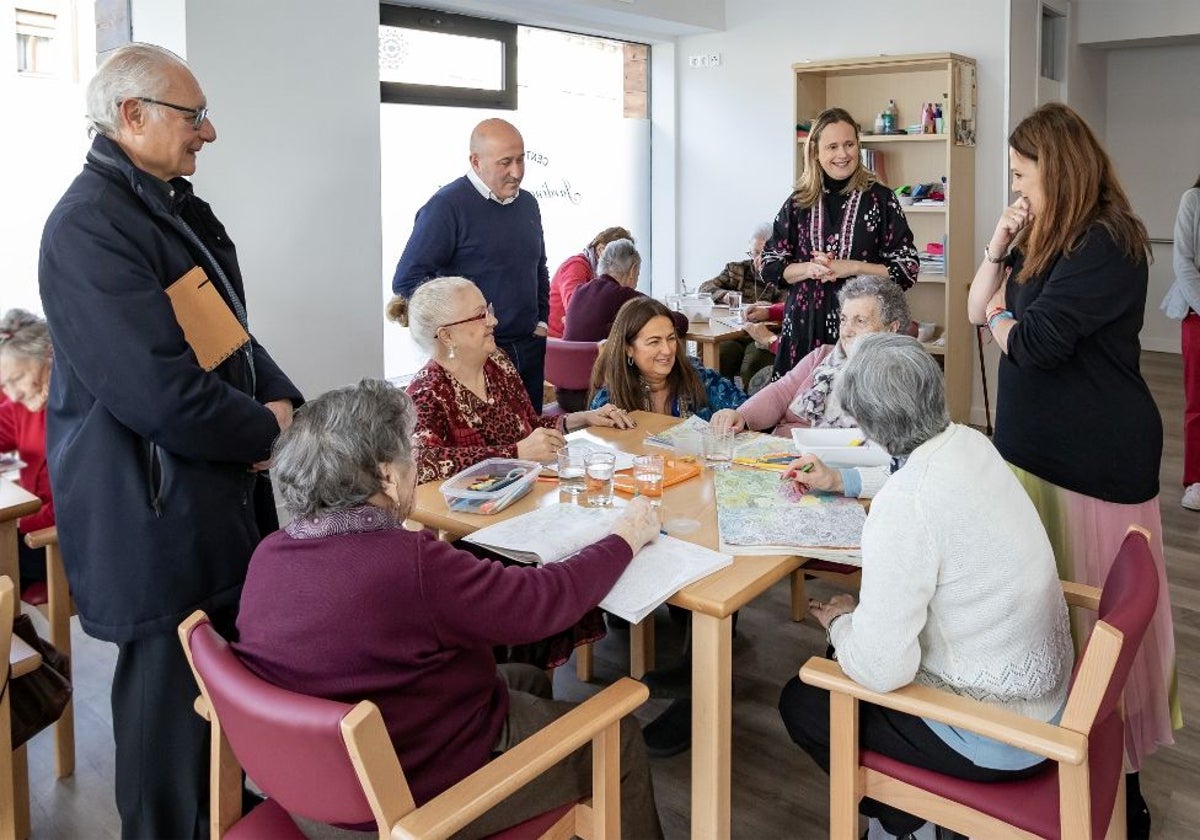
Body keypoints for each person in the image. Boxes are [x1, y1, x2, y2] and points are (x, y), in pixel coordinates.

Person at [38, 43, 303, 838]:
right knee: (165, 711)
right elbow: (155, 388)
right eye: (193, 116)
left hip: (199, 498)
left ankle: (219, 809)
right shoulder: (89, 226)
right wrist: (265, 432)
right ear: (132, 115)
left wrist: (280, 392)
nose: (208, 132)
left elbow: (225, 336)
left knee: (212, 692)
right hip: (149, 511)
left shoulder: (161, 205)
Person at [233, 379, 664, 839]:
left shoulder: (269, 555)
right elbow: (544, 603)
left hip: (309, 794)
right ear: (386, 475)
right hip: (406, 804)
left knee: (525, 679)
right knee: (621, 737)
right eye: (409, 455)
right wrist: (624, 537)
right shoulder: (408, 562)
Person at [966, 101, 1176, 839]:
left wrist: (1002, 323)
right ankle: (1051, 752)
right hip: (1031, 454)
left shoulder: (1110, 243)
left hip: (1094, 460)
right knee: (1046, 618)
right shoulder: (1046, 235)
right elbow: (976, 308)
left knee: (1098, 635)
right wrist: (999, 247)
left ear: (1059, 166)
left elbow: (1039, 343)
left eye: (1023, 173)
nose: (1016, 187)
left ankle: (1123, 788)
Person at [779, 334, 1074, 840]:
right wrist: (843, 482)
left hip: (996, 737)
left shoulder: (906, 506)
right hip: (1047, 698)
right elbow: (918, 482)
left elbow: (881, 670)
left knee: (804, 699)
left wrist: (842, 623)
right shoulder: (970, 441)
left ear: (870, 425)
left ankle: (904, 823)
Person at [392, 277, 635, 485]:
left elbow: (529, 425)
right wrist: (515, 453)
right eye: (479, 316)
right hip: (471, 519)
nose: (493, 321)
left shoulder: (498, 363)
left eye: (489, 310)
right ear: (446, 335)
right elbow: (422, 463)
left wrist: (582, 418)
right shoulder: (426, 392)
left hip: (525, 493)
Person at [393, 118, 551, 412]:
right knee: (495, 449)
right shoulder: (446, 207)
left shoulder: (528, 203)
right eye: (505, 162)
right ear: (475, 161)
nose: (516, 172)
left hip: (528, 346)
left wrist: (542, 322)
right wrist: (456, 332)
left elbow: (538, 266)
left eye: (521, 160)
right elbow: (407, 280)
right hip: (475, 355)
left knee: (536, 438)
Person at [761, 107, 918, 380]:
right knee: (798, 412)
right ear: (815, 152)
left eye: (849, 144)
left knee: (858, 413)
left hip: (863, 333)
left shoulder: (881, 200)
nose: (842, 154)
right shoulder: (798, 203)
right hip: (803, 328)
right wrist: (808, 269)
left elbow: (907, 269)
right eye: (832, 146)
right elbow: (769, 264)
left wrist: (853, 267)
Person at [589, 296, 746, 419]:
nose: (667, 350)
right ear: (628, 349)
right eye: (654, 342)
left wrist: (737, 415)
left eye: (671, 338)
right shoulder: (610, 399)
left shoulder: (699, 377)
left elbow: (748, 409)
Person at [0, 309, 54, 588]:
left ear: (48, 354)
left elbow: (76, 502)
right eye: (4, 385)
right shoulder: (22, 404)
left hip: (59, 539)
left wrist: (18, 524)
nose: (12, 394)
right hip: (32, 523)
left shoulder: (77, 408)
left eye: (17, 378)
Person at [698, 222, 788, 386]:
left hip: (763, 334)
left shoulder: (783, 275)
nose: (757, 259)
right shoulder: (737, 270)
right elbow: (705, 287)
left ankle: (749, 407)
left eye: (764, 254)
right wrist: (725, 295)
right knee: (723, 355)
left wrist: (768, 307)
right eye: (754, 253)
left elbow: (789, 304)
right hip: (733, 332)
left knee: (753, 364)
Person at [563, 239, 688, 342]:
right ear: (633, 270)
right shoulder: (623, 296)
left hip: (569, 369)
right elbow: (680, 323)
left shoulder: (579, 291)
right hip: (604, 370)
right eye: (638, 274)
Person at [1162, 172, 1200, 510]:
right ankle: (1196, 480)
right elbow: (1183, 263)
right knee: (1198, 401)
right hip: (1197, 311)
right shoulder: (1193, 200)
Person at [548, 225, 632, 338]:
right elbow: (576, 307)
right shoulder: (576, 265)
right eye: (620, 255)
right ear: (601, 250)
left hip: (569, 338)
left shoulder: (599, 276)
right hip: (556, 340)